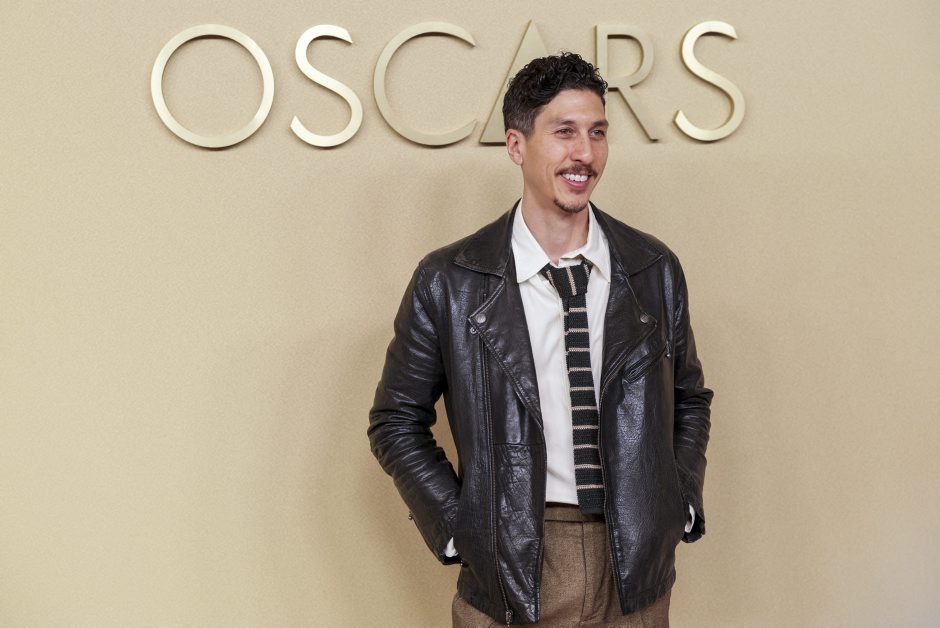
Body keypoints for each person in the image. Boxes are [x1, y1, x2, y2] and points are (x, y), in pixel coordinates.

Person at [368, 52, 712, 626]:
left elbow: (689, 398)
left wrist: (676, 502)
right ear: (515, 145)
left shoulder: (653, 268)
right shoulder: (449, 280)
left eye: (597, 132)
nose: (585, 154)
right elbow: (395, 419)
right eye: (564, 132)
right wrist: (459, 528)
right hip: (513, 557)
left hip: (636, 564)